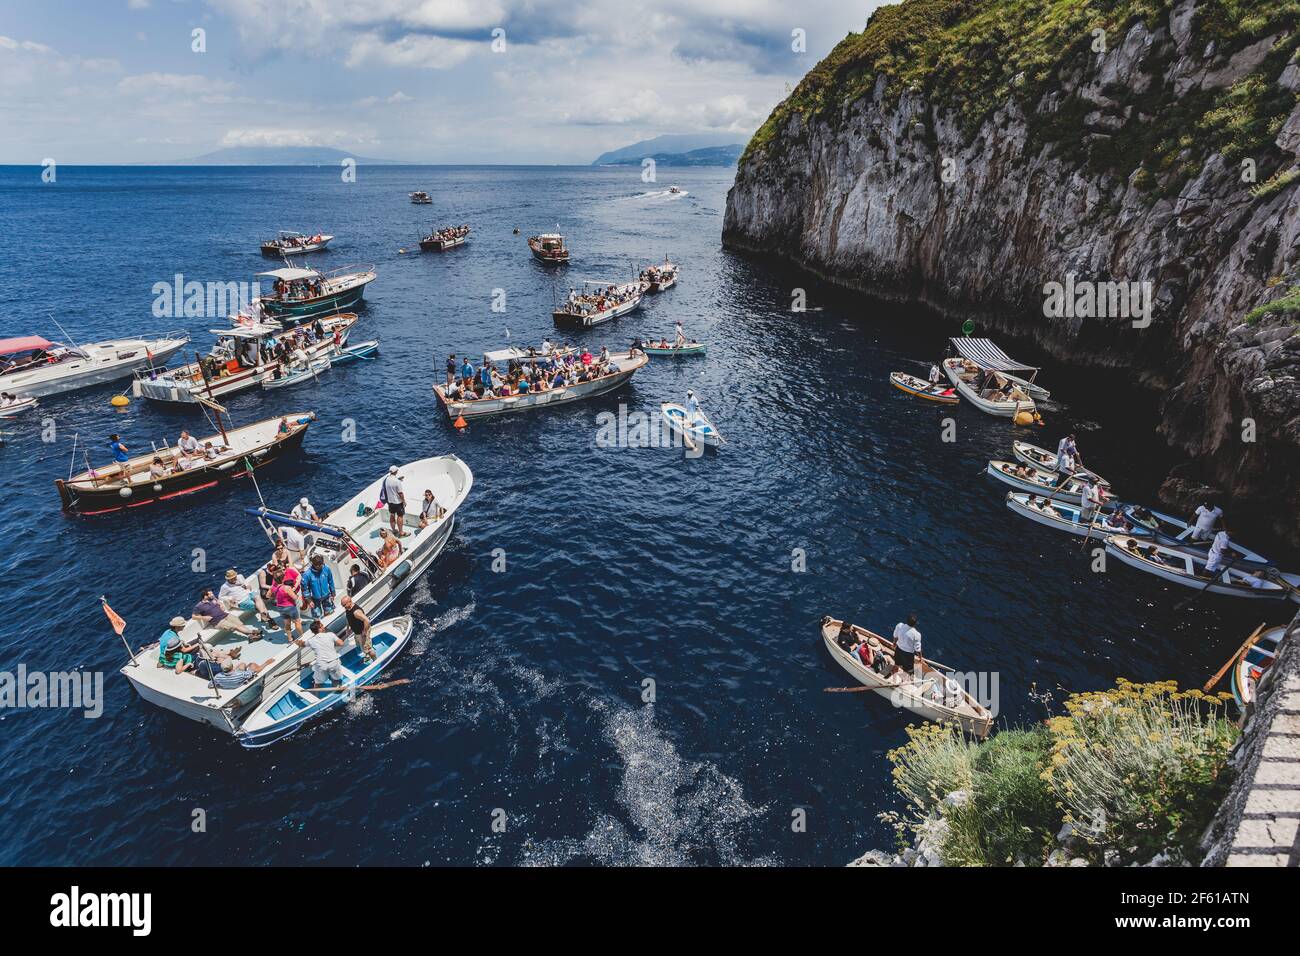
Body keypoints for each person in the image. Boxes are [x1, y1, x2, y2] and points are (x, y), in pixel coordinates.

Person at [192, 588, 264, 639]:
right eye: (210, 594)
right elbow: (193, 616)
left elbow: (220, 605)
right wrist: (203, 617)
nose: (212, 594)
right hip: (218, 621)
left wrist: (219, 602)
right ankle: (253, 632)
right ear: (205, 596)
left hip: (225, 615)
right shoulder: (199, 606)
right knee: (235, 626)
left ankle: (250, 636)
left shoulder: (213, 599)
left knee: (239, 623)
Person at [296, 620, 347, 688]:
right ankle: (337, 688)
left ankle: (315, 696)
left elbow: (302, 644)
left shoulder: (311, 641)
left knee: (318, 682)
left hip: (321, 665)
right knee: (336, 679)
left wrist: (298, 642)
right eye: (322, 625)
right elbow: (341, 643)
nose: (323, 626)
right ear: (320, 628)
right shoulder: (330, 635)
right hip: (333, 663)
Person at [268, 569, 305, 639]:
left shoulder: (273, 587)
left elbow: (267, 596)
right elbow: (295, 598)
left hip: (280, 608)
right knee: (297, 622)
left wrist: (276, 595)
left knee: (287, 624)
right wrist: (296, 595)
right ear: (283, 578)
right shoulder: (287, 588)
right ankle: (302, 636)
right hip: (290, 607)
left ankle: (290, 639)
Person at [339, 595, 375, 662]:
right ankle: (367, 656)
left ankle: (375, 660)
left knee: (368, 649)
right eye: (342, 605)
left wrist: (364, 632)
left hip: (362, 632)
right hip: (357, 632)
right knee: (362, 646)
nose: (343, 607)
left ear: (349, 602)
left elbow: (367, 620)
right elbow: (348, 618)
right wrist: (348, 628)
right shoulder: (348, 609)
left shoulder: (356, 612)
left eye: (344, 605)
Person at [300, 554, 336, 619]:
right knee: (317, 617)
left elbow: (331, 581)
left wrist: (333, 593)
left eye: (321, 565)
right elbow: (304, 589)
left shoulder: (327, 569)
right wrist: (309, 600)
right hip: (314, 599)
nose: (319, 567)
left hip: (327, 596)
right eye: (317, 565)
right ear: (313, 564)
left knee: (330, 613)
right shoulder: (307, 574)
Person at [891, 615, 923, 679]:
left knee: (897, 664)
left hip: (898, 650)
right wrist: (920, 658)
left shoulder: (899, 626)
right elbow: (917, 649)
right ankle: (904, 681)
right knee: (908, 670)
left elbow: (895, 636)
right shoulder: (917, 634)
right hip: (908, 655)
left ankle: (893, 676)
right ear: (915, 624)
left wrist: (894, 644)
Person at [381, 465, 407, 538]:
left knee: (392, 515)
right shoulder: (397, 481)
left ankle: (394, 530)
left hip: (390, 502)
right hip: (397, 502)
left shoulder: (385, 479)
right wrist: (404, 501)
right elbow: (400, 493)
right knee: (400, 516)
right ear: (396, 471)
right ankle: (401, 532)